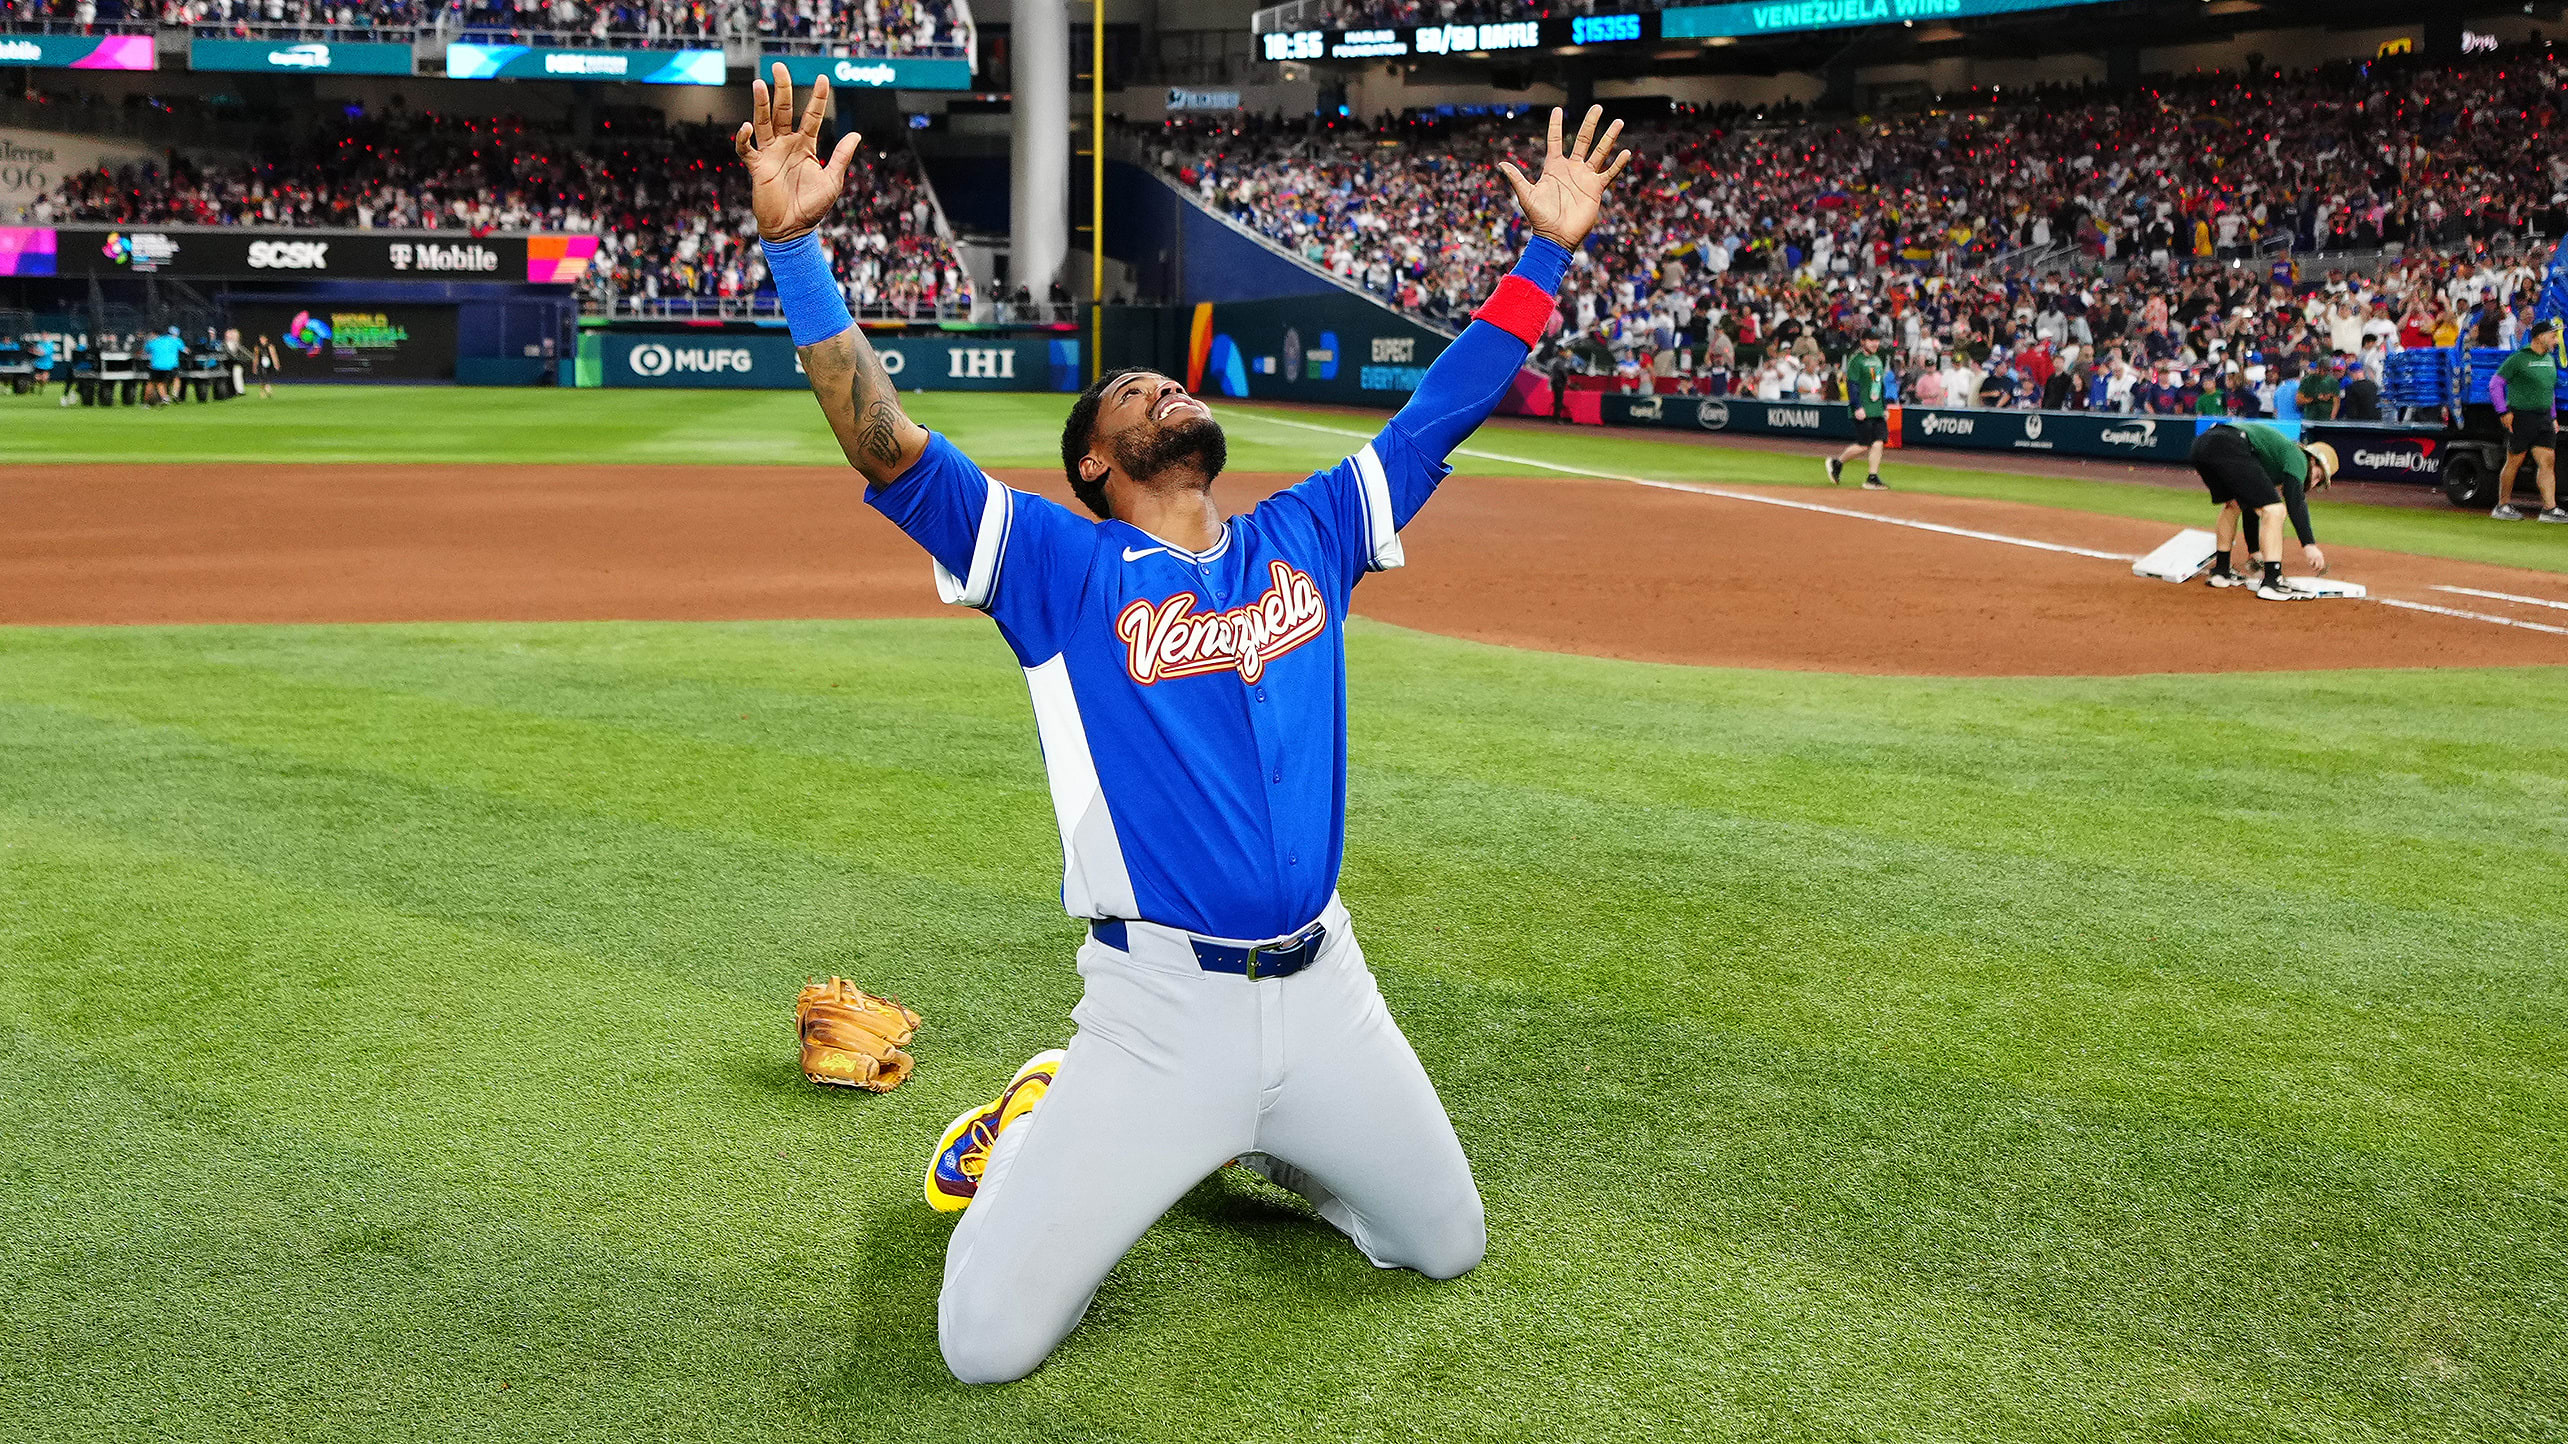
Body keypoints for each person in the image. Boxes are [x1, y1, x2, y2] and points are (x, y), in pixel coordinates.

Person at [734, 70, 1633, 1384]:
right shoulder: (1059, 571)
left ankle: (1272, 1138)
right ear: (1093, 465)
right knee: (983, 1347)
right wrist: (797, 251)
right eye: (1133, 393)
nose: (1162, 390)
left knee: (1442, 1244)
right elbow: (888, 450)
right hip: (1161, 1008)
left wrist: (1542, 260)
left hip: (1331, 992)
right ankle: (1040, 1113)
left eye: (1167, 381)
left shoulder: (1307, 535)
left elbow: (1440, 417)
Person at [2191, 421, 2333, 598]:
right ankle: (2273, 581)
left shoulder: (2271, 459)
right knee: (2275, 510)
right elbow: (2295, 501)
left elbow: (2249, 505)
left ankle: (2221, 572)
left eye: (2317, 483)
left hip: (2203, 443)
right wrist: (2309, 544)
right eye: (2317, 476)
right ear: (2312, 459)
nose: (2312, 483)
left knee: (2233, 505)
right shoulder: (2298, 457)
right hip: (2231, 443)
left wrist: (2254, 550)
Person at [2489, 316, 2567, 522]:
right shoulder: (2519, 359)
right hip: (2521, 416)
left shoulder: (2549, 360)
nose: (2556, 341)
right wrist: (2503, 412)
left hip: (2543, 419)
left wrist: (2552, 417)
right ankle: (2502, 505)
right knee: (2515, 460)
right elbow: (2495, 384)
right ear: (2540, 337)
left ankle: (2549, 509)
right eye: (2553, 336)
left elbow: (2548, 391)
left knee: (2548, 461)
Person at [1828, 330, 1889, 490]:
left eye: (1876, 340)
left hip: (1876, 408)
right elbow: (1852, 385)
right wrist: (1857, 406)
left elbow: (1879, 384)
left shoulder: (1877, 359)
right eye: (1871, 340)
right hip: (1863, 408)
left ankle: (1872, 477)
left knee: (1879, 442)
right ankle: (1838, 462)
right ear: (1863, 341)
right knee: (1864, 444)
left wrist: (1884, 406)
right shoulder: (1856, 360)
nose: (1875, 343)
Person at [143, 326, 183, 408]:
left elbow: (145, 351)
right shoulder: (173, 340)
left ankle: (147, 404)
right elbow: (185, 350)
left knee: (152, 383)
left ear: (154, 334)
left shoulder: (152, 342)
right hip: (171, 366)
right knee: (174, 379)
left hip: (157, 366)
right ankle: (172, 395)